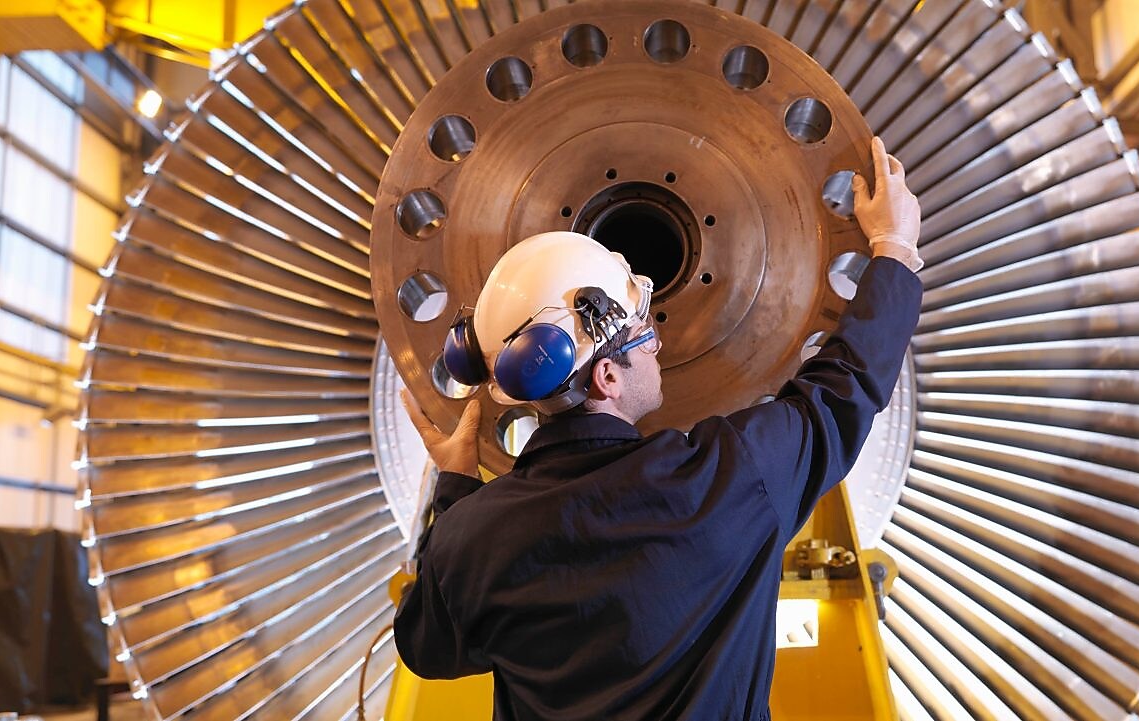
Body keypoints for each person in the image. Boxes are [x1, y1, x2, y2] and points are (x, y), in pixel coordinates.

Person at [393, 136, 923, 720]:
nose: (660, 342)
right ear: (606, 378)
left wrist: (456, 490)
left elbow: (427, 648)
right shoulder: (727, 480)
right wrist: (892, 248)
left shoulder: (470, 540)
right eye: (644, 332)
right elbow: (842, 392)